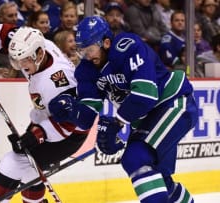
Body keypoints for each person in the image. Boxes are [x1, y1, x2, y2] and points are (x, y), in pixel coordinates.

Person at [49, 16, 199, 203]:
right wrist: (70, 110)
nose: (86, 56)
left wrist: (116, 123)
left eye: (90, 49)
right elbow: (87, 117)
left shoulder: (127, 46)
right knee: (159, 178)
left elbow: (145, 96)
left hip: (172, 103)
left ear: (106, 42)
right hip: (148, 118)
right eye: (82, 51)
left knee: (135, 158)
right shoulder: (86, 70)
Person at [0, 25, 89, 202]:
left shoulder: (59, 82)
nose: (21, 66)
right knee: (28, 168)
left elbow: (68, 124)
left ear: (39, 54)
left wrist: (36, 135)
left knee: (13, 163)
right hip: (46, 118)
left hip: (70, 132)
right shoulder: (29, 44)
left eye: (25, 60)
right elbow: (0, 30)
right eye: (17, 60)